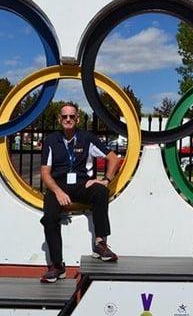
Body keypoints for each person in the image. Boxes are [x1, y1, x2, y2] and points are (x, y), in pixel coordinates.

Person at [39, 103, 120, 283]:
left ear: (77, 118)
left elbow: (113, 159)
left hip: (81, 184)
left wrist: (105, 180)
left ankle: (100, 244)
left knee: (100, 191)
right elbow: (45, 172)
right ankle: (57, 266)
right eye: (65, 116)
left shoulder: (87, 138)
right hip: (58, 186)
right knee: (50, 216)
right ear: (60, 119)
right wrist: (58, 191)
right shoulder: (51, 140)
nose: (68, 119)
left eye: (72, 116)